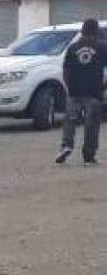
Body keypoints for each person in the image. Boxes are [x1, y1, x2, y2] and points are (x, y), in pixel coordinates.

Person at [57, 18, 104, 165]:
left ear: (82, 31)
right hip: (93, 92)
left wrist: (69, 88)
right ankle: (89, 157)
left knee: (70, 121)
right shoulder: (101, 47)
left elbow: (65, 71)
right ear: (96, 31)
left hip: (74, 92)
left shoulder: (72, 48)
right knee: (91, 125)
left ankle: (66, 146)